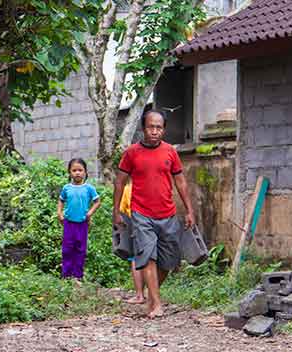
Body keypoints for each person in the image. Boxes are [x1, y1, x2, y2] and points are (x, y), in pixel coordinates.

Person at [112, 110, 195, 318]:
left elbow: (181, 181)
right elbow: (120, 182)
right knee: (148, 256)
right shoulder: (132, 153)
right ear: (143, 128)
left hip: (167, 214)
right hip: (141, 214)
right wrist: (116, 212)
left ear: (163, 129)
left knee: (168, 261)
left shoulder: (170, 152)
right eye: (151, 127)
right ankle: (157, 304)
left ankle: (152, 294)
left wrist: (189, 210)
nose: (155, 131)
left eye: (159, 127)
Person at [57, 158, 101, 280]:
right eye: (74, 170)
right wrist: (59, 213)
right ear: (69, 172)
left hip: (82, 223)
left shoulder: (89, 188)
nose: (77, 173)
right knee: (67, 249)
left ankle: (78, 276)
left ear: (85, 172)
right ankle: (66, 275)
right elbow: (61, 200)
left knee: (80, 249)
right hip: (68, 223)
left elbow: (97, 202)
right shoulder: (67, 188)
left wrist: (90, 213)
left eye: (80, 170)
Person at [120, 181, 145, 304]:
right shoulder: (150, 186)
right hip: (152, 222)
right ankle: (150, 293)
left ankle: (140, 295)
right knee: (151, 258)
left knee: (135, 259)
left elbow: (123, 210)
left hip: (134, 224)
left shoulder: (127, 189)